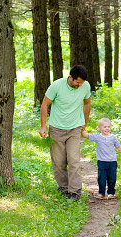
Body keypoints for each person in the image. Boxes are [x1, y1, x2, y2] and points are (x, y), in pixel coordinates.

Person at [39, 65, 91, 201]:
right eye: (77, 82)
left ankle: (75, 193)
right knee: (59, 162)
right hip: (56, 128)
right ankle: (64, 189)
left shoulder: (85, 86)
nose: (79, 85)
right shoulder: (57, 86)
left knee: (74, 160)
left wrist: (84, 122)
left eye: (82, 83)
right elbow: (45, 104)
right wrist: (43, 126)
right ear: (70, 77)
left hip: (75, 128)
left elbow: (87, 103)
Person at [81, 118, 121, 200]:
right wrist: (82, 129)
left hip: (112, 161)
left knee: (112, 177)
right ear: (99, 128)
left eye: (109, 127)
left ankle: (111, 193)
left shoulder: (113, 137)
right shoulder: (97, 136)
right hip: (102, 161)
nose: (107, 128)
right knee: (101, 178)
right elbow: (85, 135)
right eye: (105, 127)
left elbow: (118, 146)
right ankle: (101, 193)